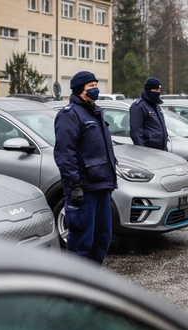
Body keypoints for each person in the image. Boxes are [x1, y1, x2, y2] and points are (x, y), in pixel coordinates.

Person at [53, 71, 118, 265]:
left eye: (96, 85)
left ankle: (92, 283)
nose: (95, 89)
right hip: (84, 189)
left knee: (102, 238)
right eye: (91, 86)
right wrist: (74, 186)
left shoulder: (95, 112)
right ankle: (75, 287)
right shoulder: (69, 115)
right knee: (81, 242)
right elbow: (65, 154)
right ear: (80, 89)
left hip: (101, 186)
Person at [129, 77, 168, 151]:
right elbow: (136, 132)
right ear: (148, 90)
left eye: (159, 90)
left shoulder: (156, 106)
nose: (158, 92)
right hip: (148, 152)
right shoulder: (139, 106)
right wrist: (142, 151)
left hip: (161, 151)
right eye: (155, 90)